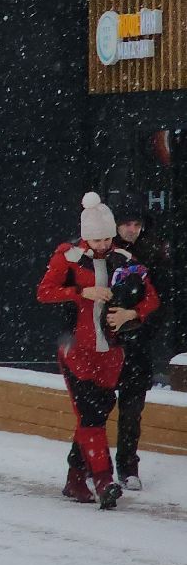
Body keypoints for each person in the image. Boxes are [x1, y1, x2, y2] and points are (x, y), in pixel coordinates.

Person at [36, 192, 159, 509]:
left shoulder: (125, 260)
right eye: (97, 239)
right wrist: (82, 291)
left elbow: (151, 299)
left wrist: (131, 314)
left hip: (111, 352)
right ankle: (104, 481)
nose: (104, 244)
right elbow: (45, 292)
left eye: (107, 238)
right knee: (90, 414)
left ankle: (76, 478)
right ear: (86, 236)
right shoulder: (68, 257)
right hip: (76, 348)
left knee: (97, 412)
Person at [110, 206, 168, 489]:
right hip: (107, 342)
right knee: (95, 407)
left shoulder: (154, 254)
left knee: (132, 410)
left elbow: (160, 301)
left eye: (136, 224)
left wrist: (136, 321)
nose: (131, 229)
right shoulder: (104, 251)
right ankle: (85, 463)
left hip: (137, 344)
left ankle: (127, 467)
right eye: (126, 224)